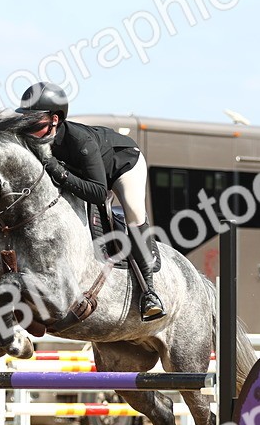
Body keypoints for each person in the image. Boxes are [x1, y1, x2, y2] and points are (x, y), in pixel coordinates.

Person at [15, 82, 164, 321]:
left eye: (35, 123)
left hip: (122, 165)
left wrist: (59, 172)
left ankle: (149, 292)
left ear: (55, 120)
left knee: (134, 214)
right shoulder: (33, 139)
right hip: (85, 174)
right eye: (26, 121)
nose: (28, 129)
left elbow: (97, 192)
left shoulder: (79, 142)